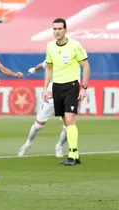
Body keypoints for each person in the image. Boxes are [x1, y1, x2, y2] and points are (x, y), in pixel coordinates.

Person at [42, 18, 90, 166]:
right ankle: (75, 154)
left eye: (59, 29)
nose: (56, 32)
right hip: (57, 87)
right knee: (65, 121)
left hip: (72, 86)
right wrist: (45, 88)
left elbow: (86, 66)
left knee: (70, 119)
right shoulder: (50, 46)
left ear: (65, 30)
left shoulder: (75, 45)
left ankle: (72, 155)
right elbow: (49, 68)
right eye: (54, 29)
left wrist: (84, 87)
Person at [18, 61, 67, 157]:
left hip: (65, 97)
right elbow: (44, 64)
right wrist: (35, 69)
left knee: (68, 126)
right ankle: (28, 144)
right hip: (50, 97)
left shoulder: (71, 62)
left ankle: (59, 146)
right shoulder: (54, 56)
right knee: (38, 126)